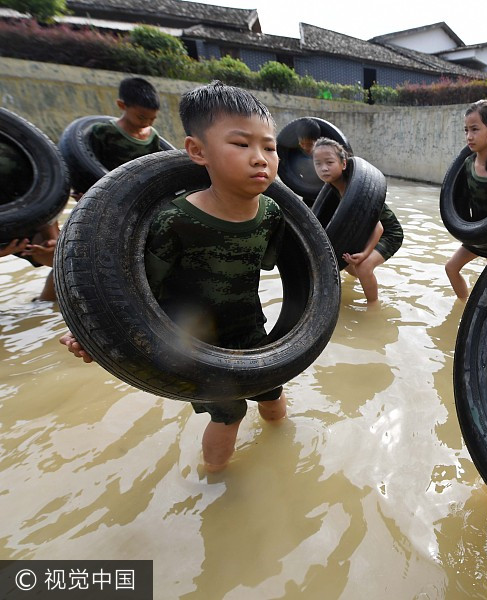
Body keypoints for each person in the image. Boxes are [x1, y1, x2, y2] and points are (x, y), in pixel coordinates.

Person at [60, 81, 286, 473]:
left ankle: (285, 449)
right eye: (241, 144)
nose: (260, 158)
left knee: (273, 393)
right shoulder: (175, 220)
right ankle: (215, 483)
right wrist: (92, 330)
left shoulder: (271, 214)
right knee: (227, 414)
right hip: (192, 342)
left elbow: (268, 263)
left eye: (269, 147)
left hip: (250, 329)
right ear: (198, 151)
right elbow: (133, 288)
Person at [312, 137, 403, 304]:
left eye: (329, 162)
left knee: (363, 266)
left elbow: (379, 228)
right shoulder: (333, 192)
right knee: (343, 259)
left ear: (344, 164)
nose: (323, 168)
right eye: (318, 163)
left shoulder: (358, 192)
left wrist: (365, 254)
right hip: (365, 231)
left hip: (389, 234)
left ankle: (374, 306)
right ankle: (363, 278)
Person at [444, 99, 487, 300]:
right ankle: (463, 306)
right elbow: (461, 204)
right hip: (481, 235)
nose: (469, 136)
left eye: (475, 129)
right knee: (451, 268)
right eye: (466, 130)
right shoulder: (467, 165)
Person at [0, 140, 59, 301]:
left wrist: (51, 239)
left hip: (21, 218)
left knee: (68, 259)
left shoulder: (10, 150)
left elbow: (45, 196)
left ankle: (43, 309)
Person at [90, 76, 163, 172]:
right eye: (141, 118)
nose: (147, 123)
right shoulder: (104, 132)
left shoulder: (152, 137)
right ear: (122, 105)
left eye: (152, 119)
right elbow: (90, 162)